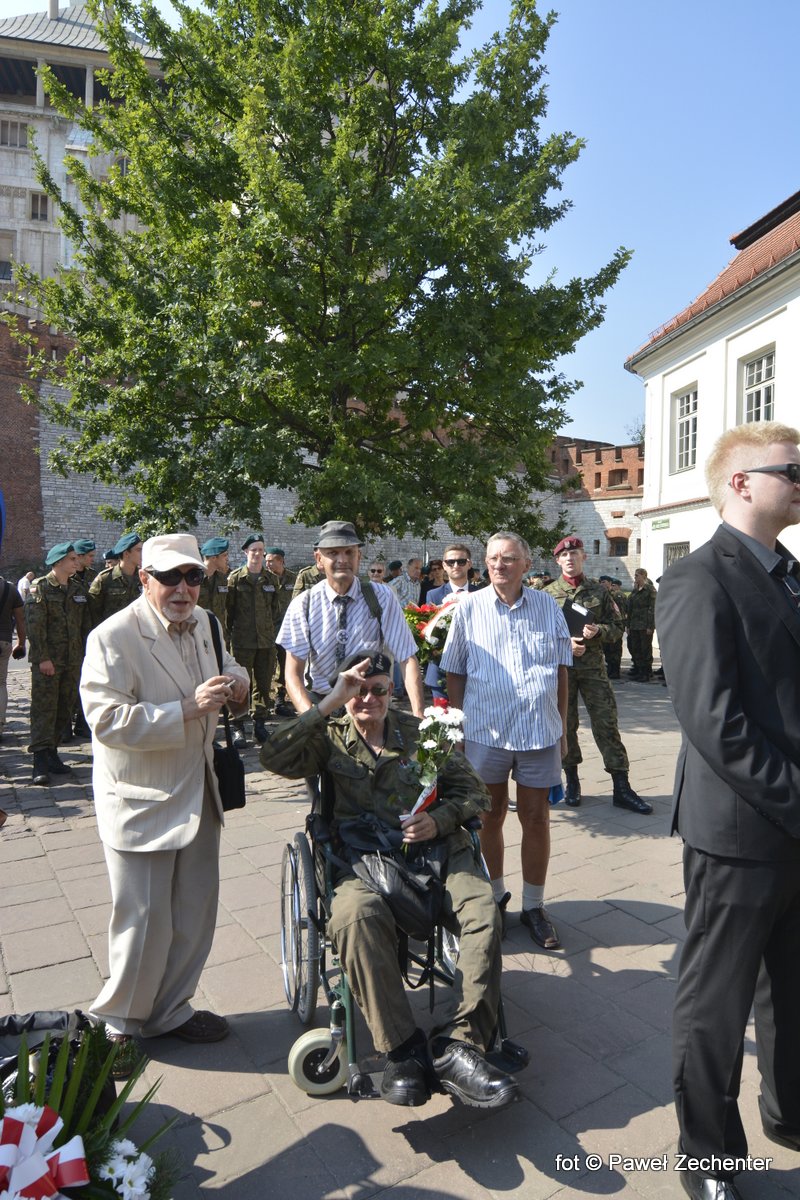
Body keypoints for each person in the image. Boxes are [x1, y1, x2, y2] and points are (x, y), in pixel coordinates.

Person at [261, 650, 518, 1110]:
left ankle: (459, 1046)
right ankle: (401, 1049)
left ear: (391, 691)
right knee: (354, 916)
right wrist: (325, 705)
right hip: (361, 862)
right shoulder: (329, 739)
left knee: (484, 911)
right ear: (345, 692)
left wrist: (438, 821)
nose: (368, 699)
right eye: (358, 690)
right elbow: (272, 756)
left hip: (436, 857)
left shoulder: (423, 733)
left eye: (378, 689)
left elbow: (475, 791)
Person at [656, 422, 800, 1200]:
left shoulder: (788, 572)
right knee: (716, 1005)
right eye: (792, 469)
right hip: (740, 833)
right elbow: (717, 726)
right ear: (742, 483)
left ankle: (788, 1115)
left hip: (792, 832)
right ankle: (709, 1158)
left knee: (793, 989)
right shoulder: (696, 579)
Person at [80, 533, 249, 1065]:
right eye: (170, 577)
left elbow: (232, 667)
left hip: (200, 789)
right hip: (143, 798)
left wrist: (239, 686)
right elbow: (106, 722)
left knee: (194, 912)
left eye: (193, 577)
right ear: (144, 577)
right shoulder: (113, 636)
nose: (183, 589)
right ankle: (118, 1024)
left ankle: (170, 1010)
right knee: (143, 920)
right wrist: (187, 709)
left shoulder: (208, 624)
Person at [442, 532, 572, 949]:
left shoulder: (547, 607)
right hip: (486, 731)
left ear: (526, 564)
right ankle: (495, 898)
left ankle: (534, 906)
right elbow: (455, 671)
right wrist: (458, 730)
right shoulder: (469, 608)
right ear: (485, 563)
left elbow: (561, 672)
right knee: (489, 816)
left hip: (538, 731)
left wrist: (565, 728)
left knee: (536, 817)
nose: (500, 564)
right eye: (494, 558)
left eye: (510, 558)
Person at [545, 537, 651, 814]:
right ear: (557, 561)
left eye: (575, 554)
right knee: (565, 726)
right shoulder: (546, 594)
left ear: (584, 557)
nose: (570, 559)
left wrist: (600, 631)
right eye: (564, 555)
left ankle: (621, 787)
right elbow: (536, 635)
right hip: (561, 671)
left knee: (606, 723)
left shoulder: (599, 592)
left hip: (593, 669)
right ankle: (572, 783)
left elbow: (618, 627)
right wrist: (563, 643)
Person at [278, 520, 425, 716]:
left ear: (359, 556)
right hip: (321, 707)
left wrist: (418, 718)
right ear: (319, 559)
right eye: (333, 553)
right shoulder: (304, 604)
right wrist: (311, 720)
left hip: (369, 704)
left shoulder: (382, 597)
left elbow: (407, 657)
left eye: (349, 552)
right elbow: (293, 674)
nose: (342, 559)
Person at [26, 542, 90, 785]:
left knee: (65, 707)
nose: (76, 562)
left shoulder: (77, 587)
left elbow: (84, 625)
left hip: (72, 661)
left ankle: (52, 753)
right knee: (44, 709)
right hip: (49, 662)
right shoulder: (40, 587)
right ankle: (39, 761)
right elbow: (35, 626)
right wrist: (43, 658)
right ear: (59, 561)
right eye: (72, 559)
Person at [226, 534, 280, 746]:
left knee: (264, 684)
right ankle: (238, 726)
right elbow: (229, 611)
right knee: (239, 684)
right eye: (254, 550)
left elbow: (274, 610)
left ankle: (260, 725)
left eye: (261, 550)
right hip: (242, 641)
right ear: (246, 552)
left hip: (266, 641)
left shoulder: (271, 579)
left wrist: (271, 633)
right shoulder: (235, 578)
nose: (258, 553)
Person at [424, 544, 480, 700]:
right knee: (442, 722)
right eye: (450, 562)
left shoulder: (482, 593)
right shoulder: (433, 595)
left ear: (469, 564)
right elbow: (429, 633)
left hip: (476, 668)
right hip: (441, 668)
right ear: (444, 565)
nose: (456, 566)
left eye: (461, 561)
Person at [265, 547, 296, 717]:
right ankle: (262, 701)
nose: (267, 564)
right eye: (267, 561)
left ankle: (280, 699)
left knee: (285, 665)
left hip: (287, 629)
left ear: (281, 561)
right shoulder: (264, 578)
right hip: (267, 629)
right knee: (267, 666)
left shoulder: (293, 578)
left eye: (271, 561)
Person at [89, 534, 142, 626]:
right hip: (111, 634)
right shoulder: (104, 579)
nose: (142, 554)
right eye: (138, 550)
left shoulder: (144, 578)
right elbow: (92, 612)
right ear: (126, 554)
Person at [0, 575, 26, 743]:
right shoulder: (10, 588)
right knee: (1, 683)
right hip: (4, 641)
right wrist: (21, 643)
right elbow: (20, 620)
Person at [626, 568, 657, 681]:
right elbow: (630, 609)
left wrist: (650, 626)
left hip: (644, 625)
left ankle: (646, 672)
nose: (635, 578)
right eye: (635, 576)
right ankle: (639, 670)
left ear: (644, 576)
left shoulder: (650, 589)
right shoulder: (635, 590)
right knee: (635, 648)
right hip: (634, 624)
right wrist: (628, 625)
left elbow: (652, 609)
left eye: (637, 575)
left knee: (645, 649)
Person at [198, 537, 230, 637]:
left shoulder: (223, 580)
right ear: (213, 558)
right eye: (224, 555)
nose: (227, 559)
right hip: (198, 634)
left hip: (219, 635)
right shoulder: (193, 579)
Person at [598, 575, 626, 680]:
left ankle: (615, 671)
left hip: (615, 626)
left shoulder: (615, 596)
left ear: (610, 583)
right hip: (606, 627)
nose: (602, 584)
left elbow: (621, 612)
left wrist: (621, 626)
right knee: (608, 651)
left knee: (615, 650)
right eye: (600, 582)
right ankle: (610, 669)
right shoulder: (601, 595)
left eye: (604, 582)